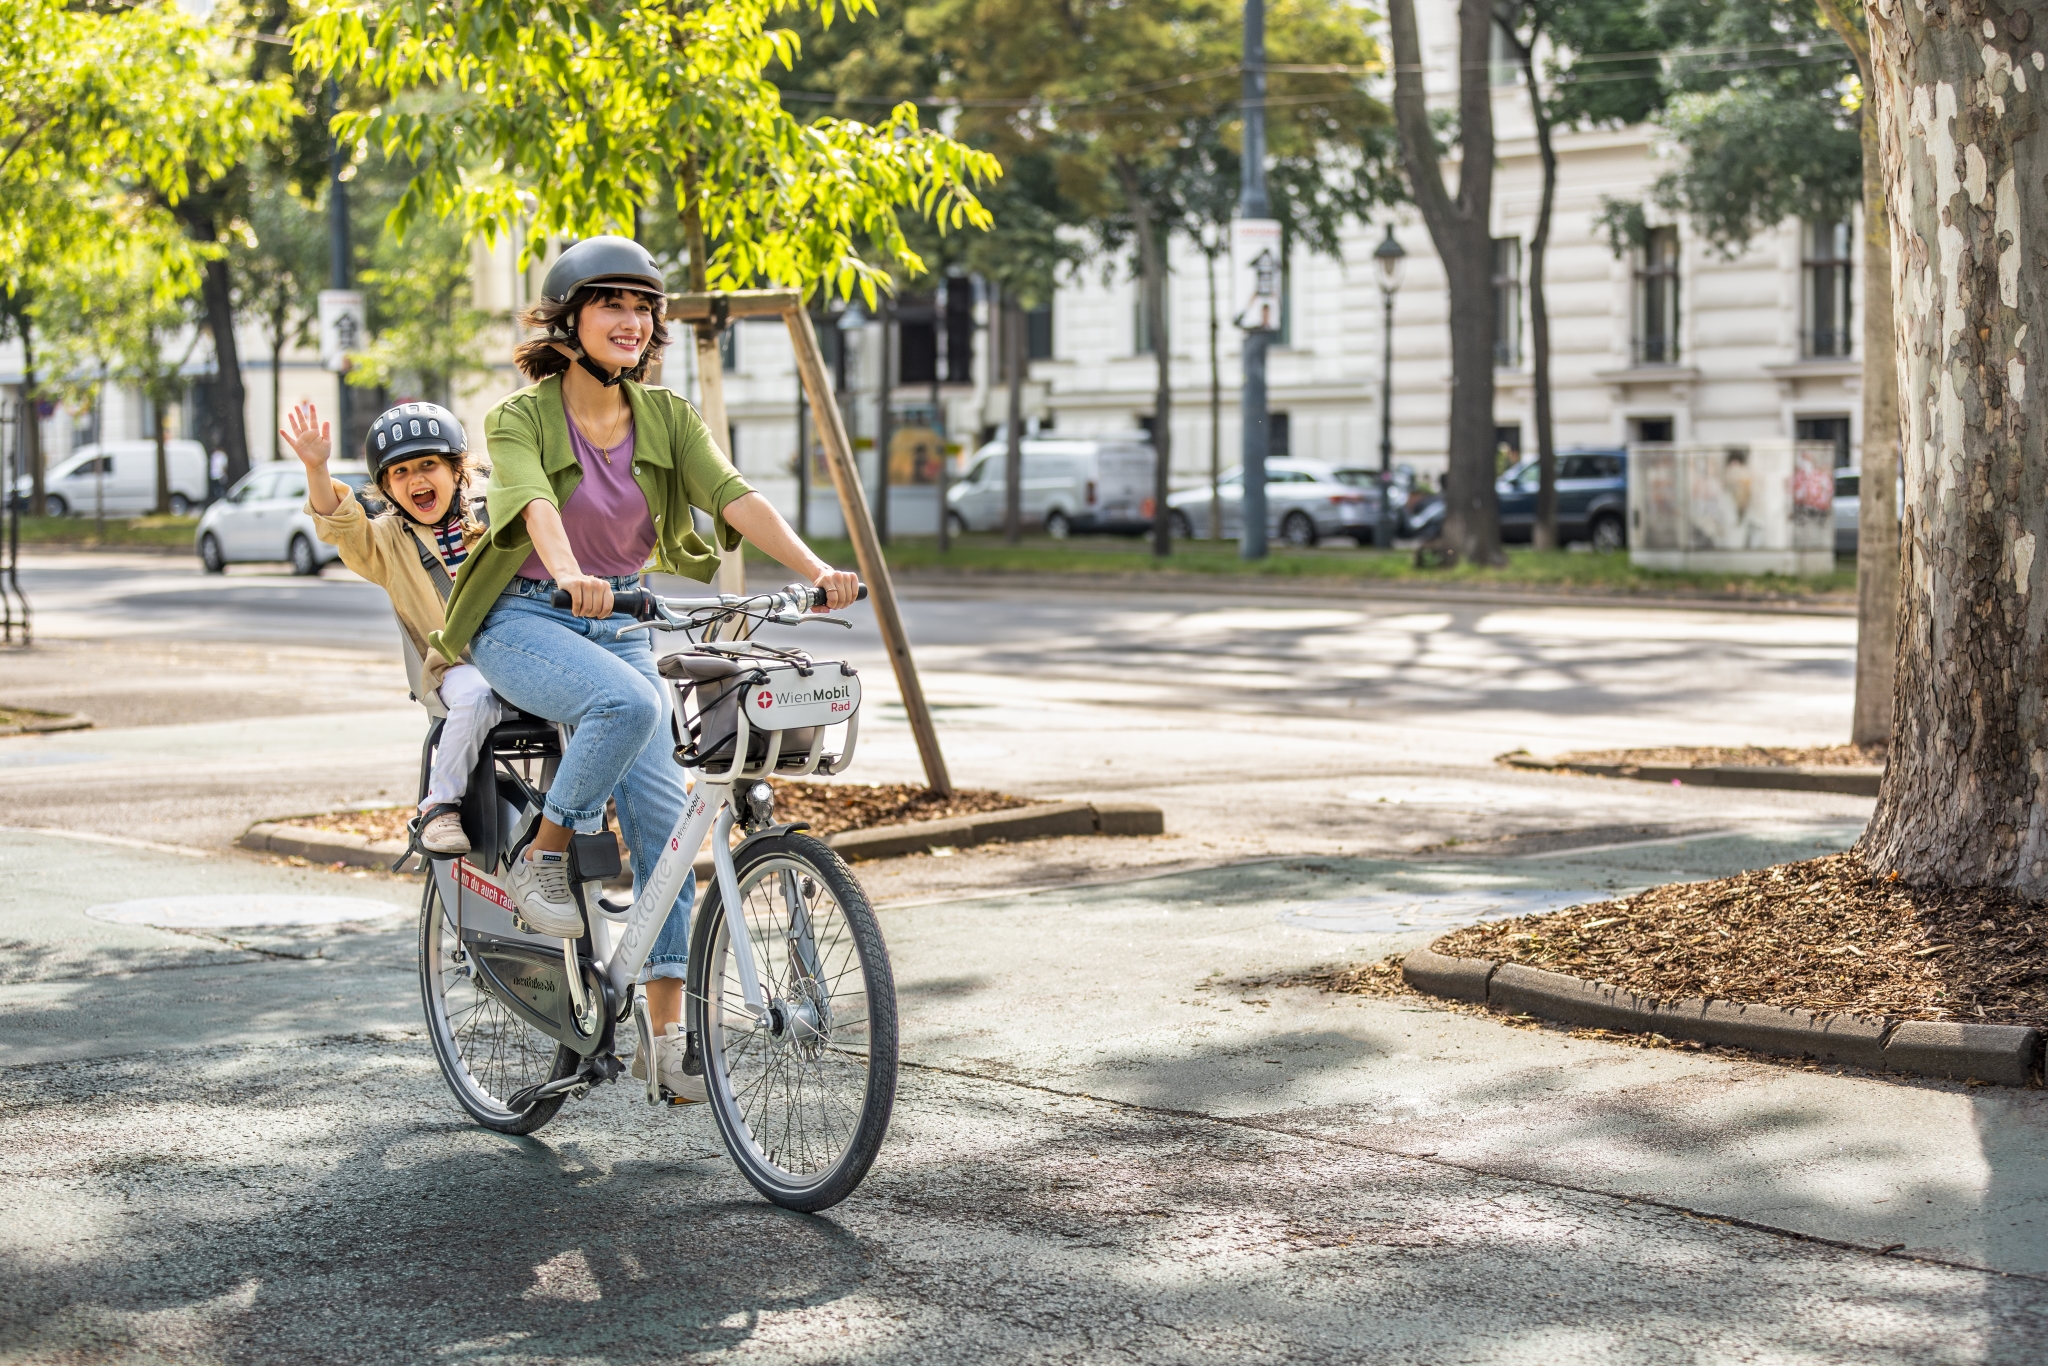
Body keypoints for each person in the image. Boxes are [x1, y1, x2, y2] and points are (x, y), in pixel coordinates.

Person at [429, 235, 857, 1100]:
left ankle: (667, 1041)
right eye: (610, 304)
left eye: (642, 306)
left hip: (623, 613)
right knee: (626, 705)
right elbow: (534, 505)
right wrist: (575, 576)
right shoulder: (521, 417)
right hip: (524, 615)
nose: (632, 320)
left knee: (672, 828)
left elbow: (734, 495)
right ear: (568, 322)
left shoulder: (666, 416)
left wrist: (813, 571)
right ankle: (541, 857)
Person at [279, 397, 501, 856]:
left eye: (428, 464)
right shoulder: (385, 542)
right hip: (454, 670)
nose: (416, 479)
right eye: (399, 473)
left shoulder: (495, 515)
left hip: (523, 655)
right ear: (386, 487)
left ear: (458, 469)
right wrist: (316, 468)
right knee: (478, 694)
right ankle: (439, 806)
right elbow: (341, 525)